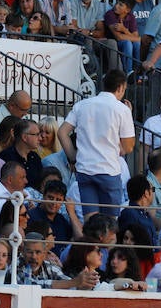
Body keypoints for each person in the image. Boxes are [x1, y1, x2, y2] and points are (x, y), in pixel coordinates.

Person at [57, 69, 135, 217]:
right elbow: (128, 147)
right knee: (110, 222)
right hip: (109, 170)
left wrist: (73, 158)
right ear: (120, 88)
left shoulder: (82, 105)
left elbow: (62, 132)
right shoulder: (122, 110)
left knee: (90, 221)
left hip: (85, 170)